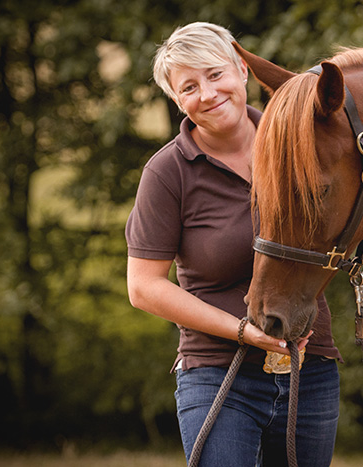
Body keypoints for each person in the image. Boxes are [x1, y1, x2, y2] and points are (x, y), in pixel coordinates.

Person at [125, 22, 342, 466]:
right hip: (216, 373)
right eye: (189, 86)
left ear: (242, 70)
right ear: (176, 100)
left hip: (309, 368)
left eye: (214, 74)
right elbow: (144, 287)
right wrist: (243, 331)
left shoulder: (299, 146)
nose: (206, 93)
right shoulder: (168, 172)